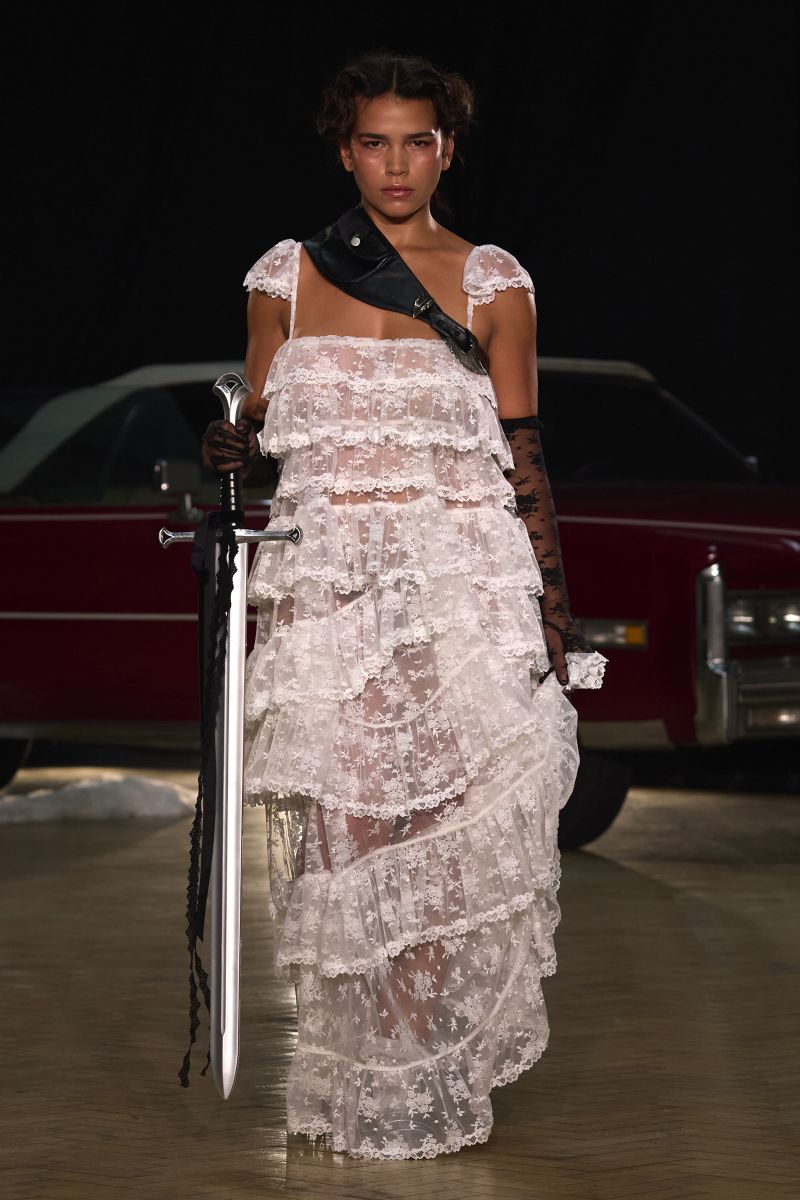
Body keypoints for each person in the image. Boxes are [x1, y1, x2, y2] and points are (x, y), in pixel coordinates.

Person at [202, 50, 608, 1161]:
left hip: (458, 586)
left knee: (446, 837)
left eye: (416, 142)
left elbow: (523, 451)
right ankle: (368, 1072)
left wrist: (551, 606)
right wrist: (226, 443)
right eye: (374, 143)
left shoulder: (491, 283)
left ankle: (425, 1072)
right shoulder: (286, 278)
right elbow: (253, 414)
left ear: (447, 149)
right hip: (331, 591)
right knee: (347, 836)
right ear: (344, 151)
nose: (395, 165)